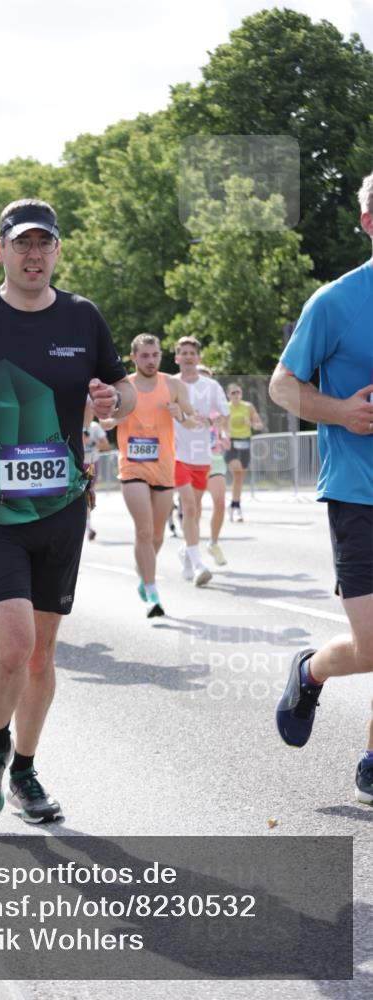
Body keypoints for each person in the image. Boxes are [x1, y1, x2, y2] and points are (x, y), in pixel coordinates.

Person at [0, 198, 134, 825]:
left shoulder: (83, 317)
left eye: (45, 244)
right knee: (13, 645)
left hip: (61, 505)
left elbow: (118, 388)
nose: (34, 254)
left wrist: (109, 399)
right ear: (0, 249)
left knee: (41, 656)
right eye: (22, 243)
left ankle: (25, 773)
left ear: (57, 251)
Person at [271, 171, 373, 805]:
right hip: (358, 493)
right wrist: (340, 412)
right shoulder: (335, 302)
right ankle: (309, 672)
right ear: (367, 223)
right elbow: (284, 385)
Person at [103, 333, 193, 616]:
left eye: (155, 355)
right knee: (143, 530)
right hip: (132, 465)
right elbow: (104, 421)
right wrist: (115, 418)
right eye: (144, 356)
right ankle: (152, 593)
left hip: (164, 467)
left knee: (156, 535)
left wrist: (180, 415)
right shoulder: (124, 387)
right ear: (133, 357)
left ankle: (144, 570)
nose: (151, 361)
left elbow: (194, 422)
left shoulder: (174, 385)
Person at [173, 337, 230, 586]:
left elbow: (224, 416)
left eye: (191, 353)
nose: (187, 357)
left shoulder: (212, 386)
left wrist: (216, 427)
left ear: (198, 358)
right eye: (183, 353)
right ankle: (197, 563)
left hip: (203, 455)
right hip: (176, 453)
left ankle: (188, 551)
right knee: (189, 507)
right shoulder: (170, 384)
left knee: (194, 508)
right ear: (176, 357)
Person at [196, 364, 230, 566]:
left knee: (219, 503)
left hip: (215, 459)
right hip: (192, 460)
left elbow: (224, 431)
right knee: (194, 509)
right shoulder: (186, 406)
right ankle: (190, 549)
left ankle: (213, 543)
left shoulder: (218, 410)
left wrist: (225, 439)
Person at [225, 383, 264, 521]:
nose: (236, 395)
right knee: (236, 471)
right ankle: (235, 506)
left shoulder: (248, 407)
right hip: (231, 443)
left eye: (238, 392)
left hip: (245, 442)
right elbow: (219, 424)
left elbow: (260, 425)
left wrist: (251, 424)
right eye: (233, 393)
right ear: (228, 395)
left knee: (240, 478)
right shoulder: (225, 407)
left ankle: (235, 505)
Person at [81, 401, 110, 541]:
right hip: (77, 464)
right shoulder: (74, 425)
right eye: (86, 410)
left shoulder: (95, 427)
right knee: (79, 496)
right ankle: (85, 526)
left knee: (86, 494)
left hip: (92, 464)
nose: (89, 413)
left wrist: (92, 443)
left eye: (91, 410)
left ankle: (88, 527)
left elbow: (106, 446)